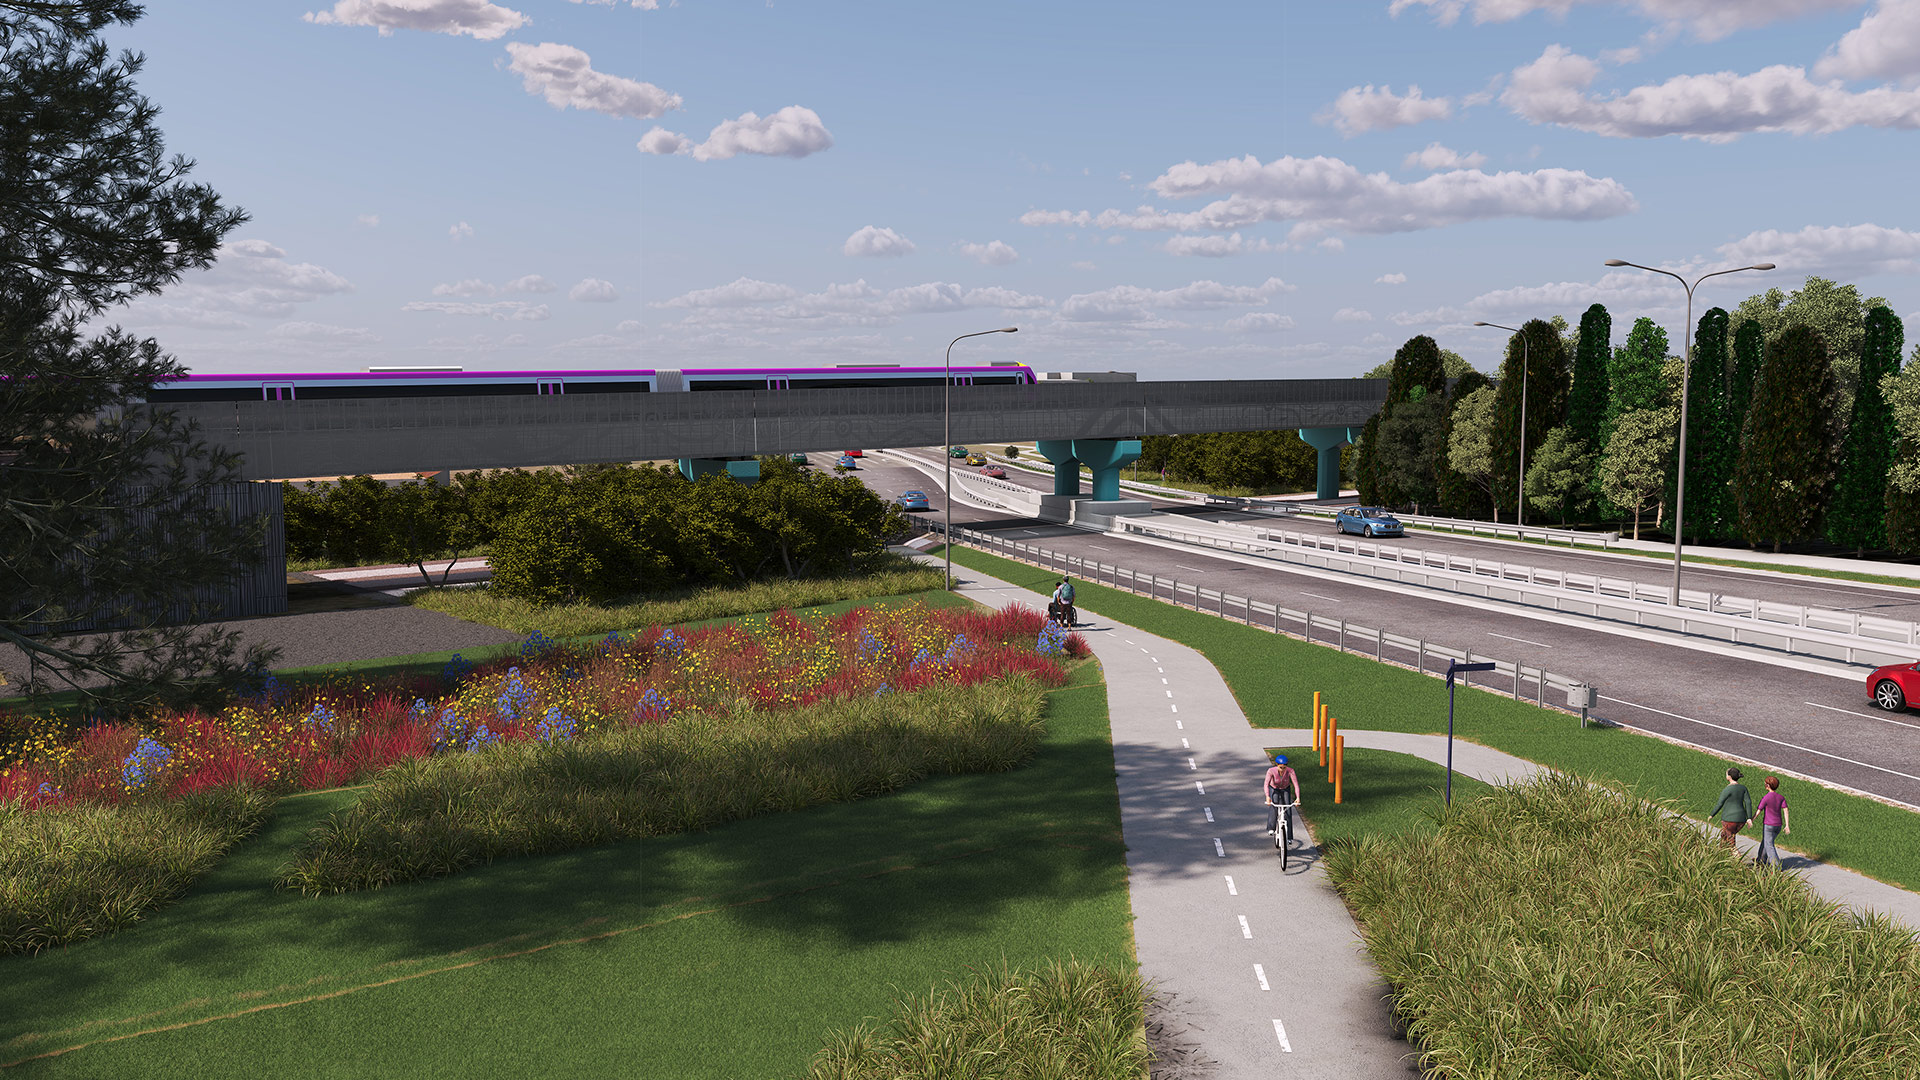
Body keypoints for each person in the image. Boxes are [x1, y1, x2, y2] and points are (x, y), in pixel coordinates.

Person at [1710, 766, 1754, 850]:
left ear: (1729, 777)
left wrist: (1712, 814)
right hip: (1741, 820)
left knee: (1730, 841)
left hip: (1729, 819)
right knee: (1724, 835)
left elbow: (1720, 803)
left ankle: (1737, 859)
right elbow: (1748, 802)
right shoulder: (1743, 788)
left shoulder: (1727, 789)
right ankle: (1720, 853)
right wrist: (1749, 818)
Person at [1756, 775, 1791, 868]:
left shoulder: (1766, 798)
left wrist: (1751, 819)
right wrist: (1787, 825)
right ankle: (1760, 860)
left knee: (1769, 845)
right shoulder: (1781, 797)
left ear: (1767, 785)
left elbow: (1759, 811)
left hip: (1768, 825)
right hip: (1778, 826)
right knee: (1766, 842)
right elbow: (1785, 810)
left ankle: (1776, 867)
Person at [1264, 754, 1299, 837]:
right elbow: (1266, 784)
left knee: (1288, 808)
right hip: (1274, 788)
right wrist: (1267, 796)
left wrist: (1298, 798)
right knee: (1274, 804)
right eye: (1280, 767)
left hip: (1285, 788)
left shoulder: (1290, 771)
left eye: (1284, 768)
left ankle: (1290, 836)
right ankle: (1271, 828)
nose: (1282, 770)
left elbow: (1296, 784)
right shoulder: (1271, 771)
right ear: (1277, 765)